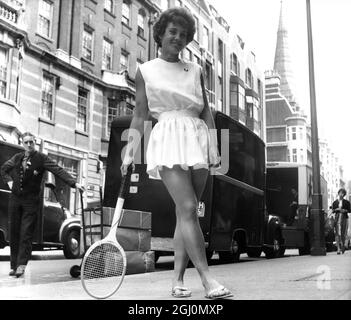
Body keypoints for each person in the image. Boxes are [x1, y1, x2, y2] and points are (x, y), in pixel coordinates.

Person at [120, 7, 232, 299]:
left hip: (197, 139)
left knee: (188, 212)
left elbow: (206, 109)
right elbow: (141, 113)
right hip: (168, 136)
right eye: (173, 32)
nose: (178, 38)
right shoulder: (145, 71)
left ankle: (178, 281)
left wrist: (214, 145)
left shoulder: (195, 70)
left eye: (183, 35)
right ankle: (207, 280)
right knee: (186, 208)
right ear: (160, 34)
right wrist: (130, 150)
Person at [0, 132, 85, 277]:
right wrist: (9, 182)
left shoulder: (41, 158)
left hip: (30, 202)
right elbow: (3, 169)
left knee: (26, 233)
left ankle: (21, 265)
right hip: (15, 200)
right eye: (26, 142)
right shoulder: (17, 158)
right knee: (14, 233)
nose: (28, 145)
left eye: (31, 142)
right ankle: (14, 266)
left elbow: (57, 169)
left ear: (35, 143)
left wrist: (74, 183)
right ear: (22, 143)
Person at [331, 188, 350, 254]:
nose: (341, 194)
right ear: (338, 193)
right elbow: (333, 210)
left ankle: (343, 245)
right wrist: (336, 209)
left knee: (343, 233)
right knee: (337, 233)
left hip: (344, 218)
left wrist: (344, 210)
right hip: (337, 218)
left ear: (344, 194)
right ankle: (338, 248)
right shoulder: (335, 202)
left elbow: (349, 210)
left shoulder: (347, 202)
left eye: (343, 193)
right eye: (340, 193)